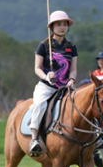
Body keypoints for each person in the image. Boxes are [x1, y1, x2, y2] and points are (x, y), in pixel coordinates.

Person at [29, 10, 77, 156]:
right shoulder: (44, 45)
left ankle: (95, 137)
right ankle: (34, 139)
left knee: (85, 103)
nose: (62, 27)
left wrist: (72, 80)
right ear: (51, 27)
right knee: (39, 105)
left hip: (65, 87)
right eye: (58, 24)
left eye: (64, 24)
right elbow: (37, 68)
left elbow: (73, 70)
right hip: (46, 87)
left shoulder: (72, 46)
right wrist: (46, 76)